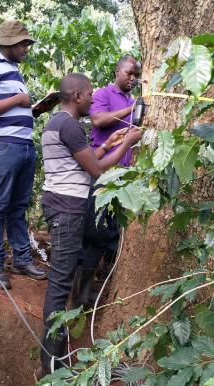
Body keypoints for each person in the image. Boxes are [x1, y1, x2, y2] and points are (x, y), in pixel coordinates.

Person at [38, 73, 142, 376]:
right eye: (89, 94)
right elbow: (96, 169)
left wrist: (109, 142)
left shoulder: (60, 123)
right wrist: (128, 144)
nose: (92, 99)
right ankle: (51, 363)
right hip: (66, 209)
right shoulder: (68, 125)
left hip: (67, 206)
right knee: (59, 283)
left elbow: (82, 164)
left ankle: (57, 347)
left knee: (68, 272)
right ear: (76, 95)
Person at [0, 20, 57, 290]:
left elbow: (11, 109)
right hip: (1, 146)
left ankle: (21, 259)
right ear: (8, 43)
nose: (26, 49)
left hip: (22, 146)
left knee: (18, 208)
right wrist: (19, 101)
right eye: (23, 44)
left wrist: (34, 109)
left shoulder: (12, 70)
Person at [71, 55, 143, 310]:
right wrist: (131, 110)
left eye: (136, 75)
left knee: (111, 231)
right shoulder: (102, 94)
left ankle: (90, 288)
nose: (132, 79)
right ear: (117, 71)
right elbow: (98, 120)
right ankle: (77, 293)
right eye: (128, 73)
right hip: (100, 171)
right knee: (94, 229)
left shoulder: (134, 99)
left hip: (123, 176)